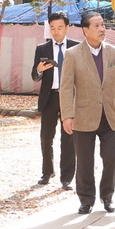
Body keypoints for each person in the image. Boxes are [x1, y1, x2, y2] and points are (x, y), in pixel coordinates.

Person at [61, 12, 115, 214]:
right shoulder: (72, 54)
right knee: (84, 160)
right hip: (83, 114)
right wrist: (67, 115)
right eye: (97, 26)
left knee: (111, 157)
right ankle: (86, 199)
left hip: (110, 114)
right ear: (85, 30)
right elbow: (66, 88)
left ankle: (107, 196)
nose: (102, 29)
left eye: (103, 25)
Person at [30, 12, 78, 188]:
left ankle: (67, 178)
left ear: (66, 28)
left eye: (59, 28)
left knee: (68, 139)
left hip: (70, 98)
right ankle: (47, 172)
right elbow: (34, 76)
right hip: (50, 97)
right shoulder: (42, 49)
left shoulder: (77, 47)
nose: (56, 32)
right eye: (52, 28)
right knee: (46, 137)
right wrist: (39, 69)